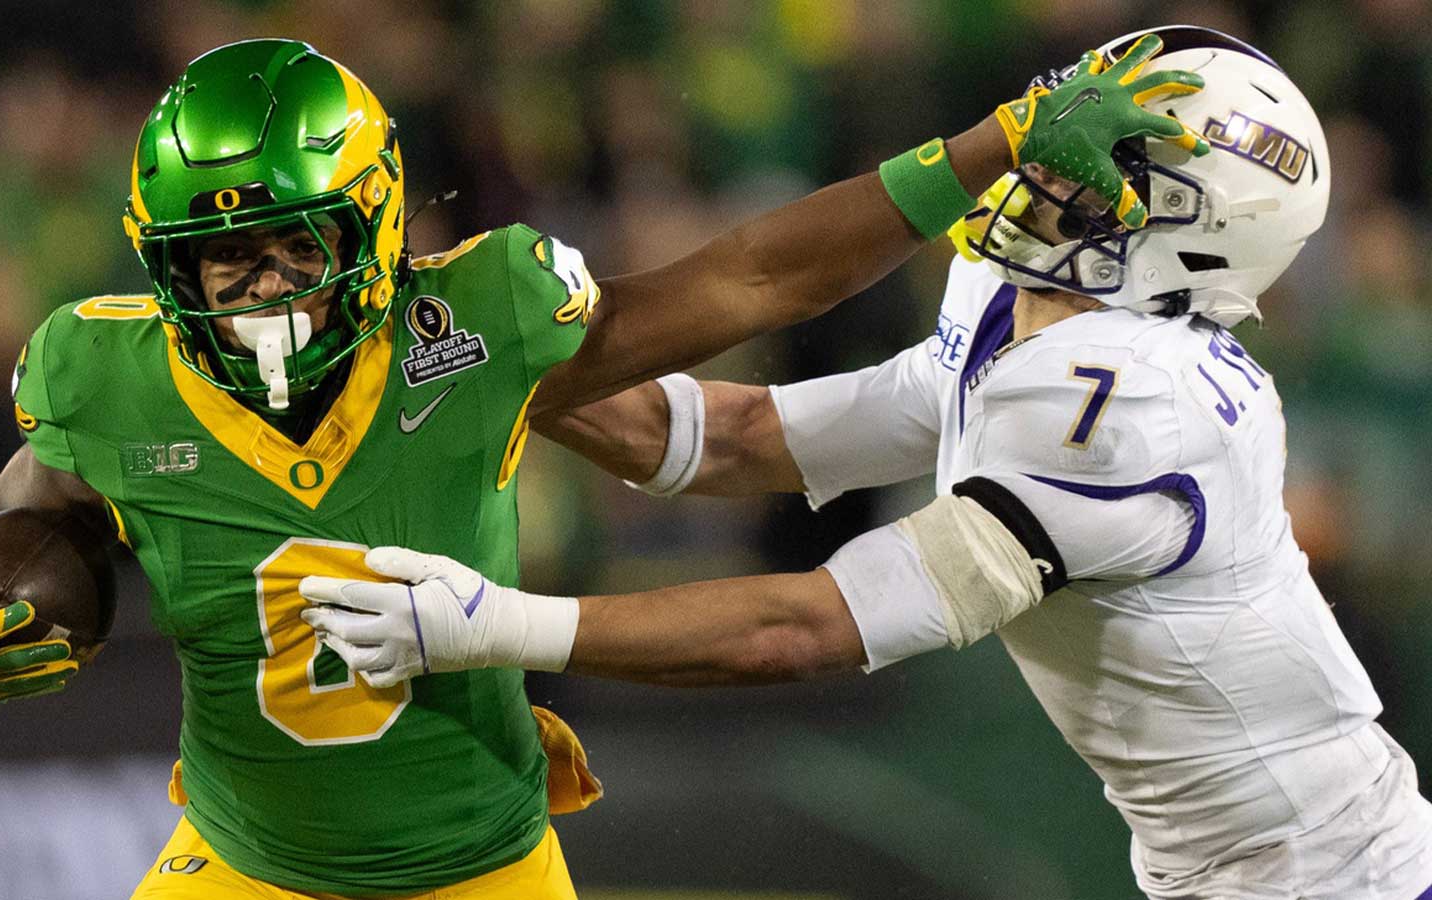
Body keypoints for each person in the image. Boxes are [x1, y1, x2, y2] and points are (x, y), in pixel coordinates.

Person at [0, 35, 1207, 900]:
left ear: (380, 227)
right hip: (244, 864)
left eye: (297, 251)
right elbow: (18, 510)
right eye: (229, 262)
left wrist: (988, 145)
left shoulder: (476, 324)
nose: (265, 297)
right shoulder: (101, 375)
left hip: (478, 870)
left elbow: (746, 274)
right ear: (168, 268)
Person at [297, 27, 1432, 900]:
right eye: (1061, 141)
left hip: (1327, 872)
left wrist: (494, 625)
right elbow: (734, 438)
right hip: (1228, 866)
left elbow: (814, 628)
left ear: (1198, 229)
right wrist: (482, 365)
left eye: (1102, 174)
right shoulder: (1019, 305)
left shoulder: (1136, 403)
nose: (1048, 179)